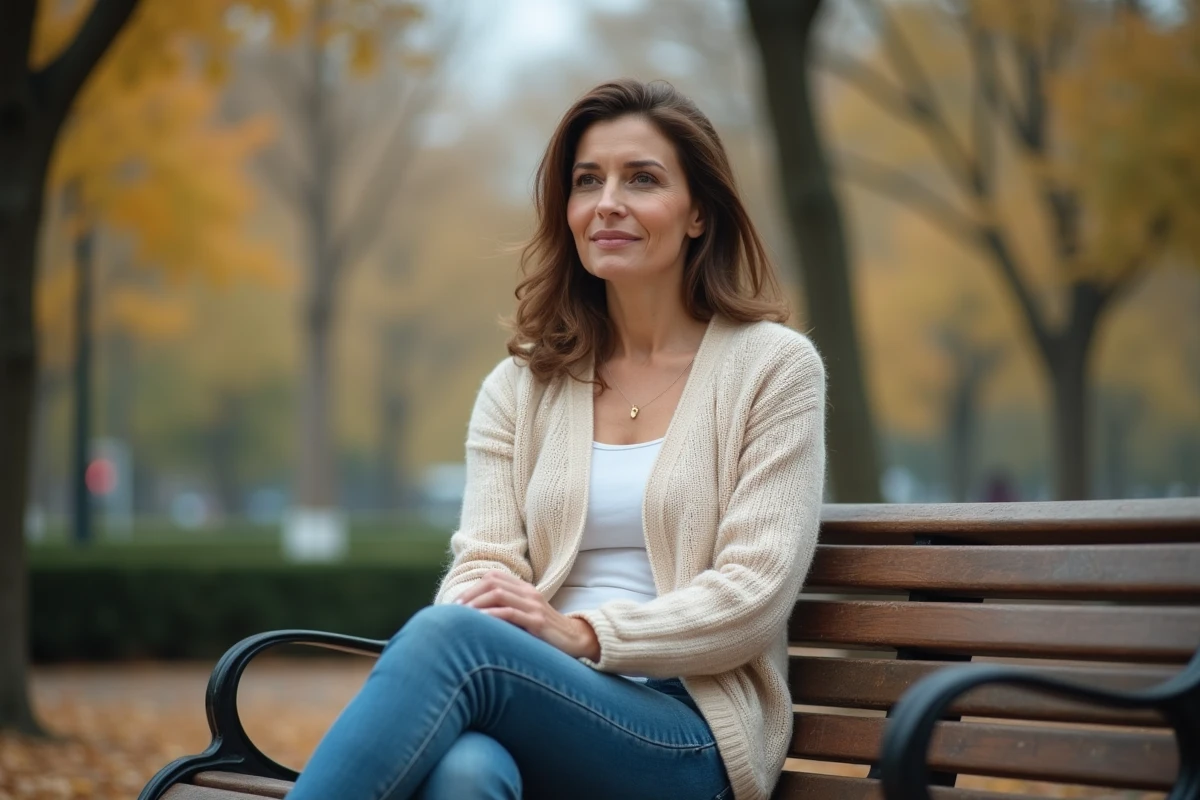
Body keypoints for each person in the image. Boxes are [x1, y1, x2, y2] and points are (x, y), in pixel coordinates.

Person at [287, 78, 827, 800]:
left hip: (686, 730)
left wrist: (582, 634)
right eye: (586, 181)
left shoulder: (773, 369)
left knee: (450, 640)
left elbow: (754, 592)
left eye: (642, 178)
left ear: (698, 212)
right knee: (466, 774)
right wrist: (519, 629)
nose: (607, 202)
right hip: (537, 700)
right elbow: (480, 567)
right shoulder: (521, 386)